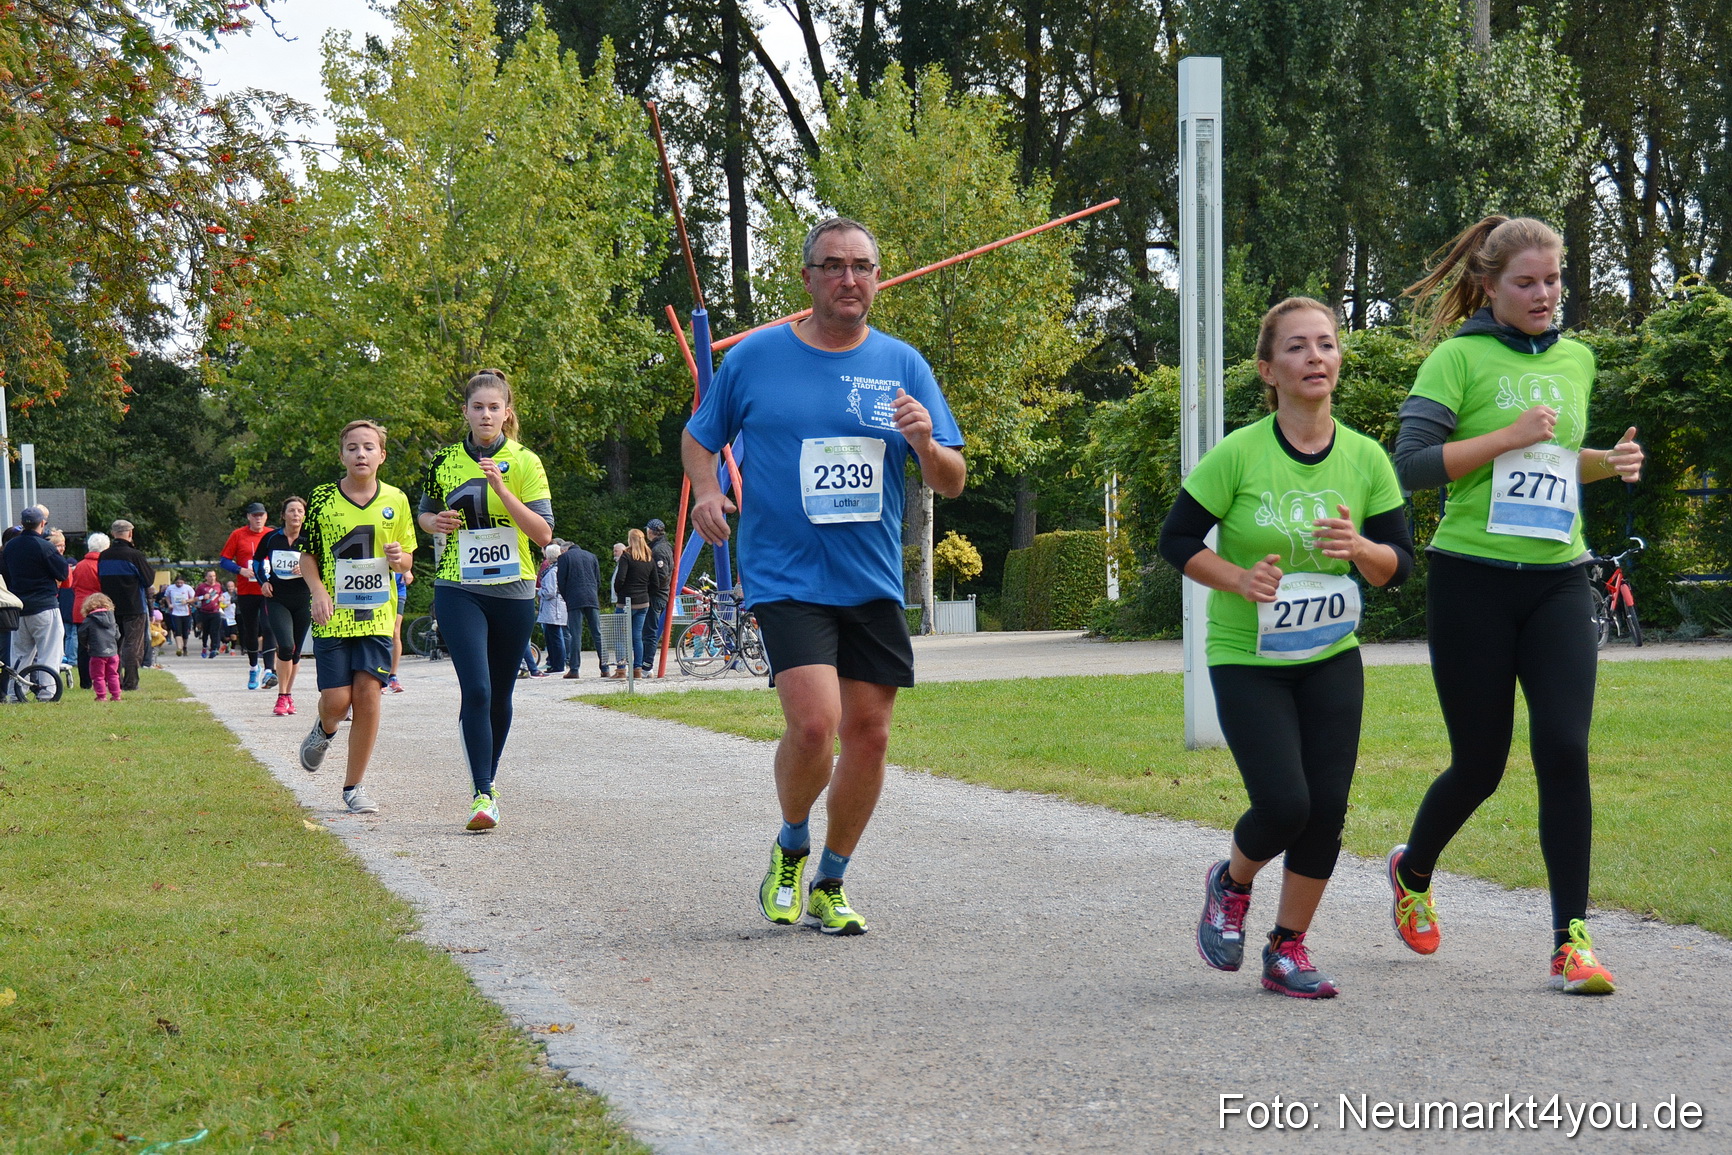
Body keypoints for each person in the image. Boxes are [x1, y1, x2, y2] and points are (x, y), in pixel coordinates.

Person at [684, 216, 967, 935]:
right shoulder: (755, 358)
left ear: (877, 277)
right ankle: (791, 843)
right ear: (807, 276)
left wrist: (925, 443)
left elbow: (954, 479)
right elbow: (697, 439)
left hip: (870, 579)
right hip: (785, 574)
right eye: (834, 265)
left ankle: (831, 880)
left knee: (869, 734)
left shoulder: (903, 365)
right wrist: (709, 491)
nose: (850, 278)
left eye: (863, 266)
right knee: (815, 725)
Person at [1385, 216, 1645, 996]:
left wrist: (1609, 463)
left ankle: (1572, 942)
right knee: (1482, 763)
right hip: (1471, 580)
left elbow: (1554, 463)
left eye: (1553, 280)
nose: (1543, 295)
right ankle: (1413, 868)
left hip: (1560, 578)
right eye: (1526, 283)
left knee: (1564, 748)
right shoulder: (1456, 358)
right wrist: (1505, 435)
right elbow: (1413, 467)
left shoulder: (1579, 359)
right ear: (1490, 286)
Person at [1158, 298, 1414, 998]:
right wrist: (1239, 578)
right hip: (1248, 656)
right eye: (1297, 348)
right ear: (1269, 370)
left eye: (1325, 345)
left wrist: (1361, 547)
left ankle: (1287, 948)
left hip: (1331, 654)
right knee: (1285, 802)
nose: (1314, 357)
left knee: (1327, 807)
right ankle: (1231, 881)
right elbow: (1176, 540)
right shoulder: (1239, 452)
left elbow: (1401, 565)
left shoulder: (1365, 458)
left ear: (1338, 361)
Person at [417, 370, 554, 832]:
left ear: (507, 413)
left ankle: (488, 781)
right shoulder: (445, 461)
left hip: (515, 588)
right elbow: (424, 513)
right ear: (466, 413)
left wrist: (501, 489)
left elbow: (542, 533)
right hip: (458, 587)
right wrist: (433, 523)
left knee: (500, 692)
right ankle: (482, 791)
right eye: (478, 407)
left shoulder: (526, 461)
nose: (486, 414)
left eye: (494, 407)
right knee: (475, 689)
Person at [297, 420, 417, 814]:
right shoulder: (322, 499)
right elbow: (308, 555)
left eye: (368, 447)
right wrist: (317, 591)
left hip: (377, 614)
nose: (360, 454)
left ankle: (353, 787)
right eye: (352, 448)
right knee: (336, 700)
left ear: (382, 454)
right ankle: (324, 728)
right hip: (333, 613)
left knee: (367, 695)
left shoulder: (396, 499)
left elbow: (407, 560)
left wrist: (401, 560)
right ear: (341, 455)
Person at [0, 506, 69, 698]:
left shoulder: (10, 547)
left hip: (19, 607)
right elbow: (62, 572)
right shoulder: (45, 546)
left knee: (20, 653)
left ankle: (16, 693)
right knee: (49, 651)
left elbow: (5, 574)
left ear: (22, 524)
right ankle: (47, 692)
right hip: (44, 605)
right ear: (42, 523)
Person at [254, 495, 311, 716]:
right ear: (283, 515)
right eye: (292, 511)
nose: (296, 515)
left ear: (304, 516)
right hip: (278, 598)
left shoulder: (310, 539)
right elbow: (257, 562)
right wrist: (263, 582)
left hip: (303, 598)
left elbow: (324, 563)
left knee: (295, 652)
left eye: (299, 511)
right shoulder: (271, 538)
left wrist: (306, 568)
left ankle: (289, 695)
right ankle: (281, 696)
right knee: (286, 645)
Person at [221, 502, 278, 690]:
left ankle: (270, 670)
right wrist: (240, 570)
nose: (258, 518)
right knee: (250, 631)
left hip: (268, 589)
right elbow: (224, 560)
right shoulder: (238, 535)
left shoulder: (272, 534)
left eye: (261, 515)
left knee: (269, 627)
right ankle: (254, 667)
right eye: (254, 515)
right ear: (248, 517)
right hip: (246, 591)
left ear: (266, 517)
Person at [97, 520, 154, 692]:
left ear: (113, 534)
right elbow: (148, 580)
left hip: (111, 606)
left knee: (115, 644)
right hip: (134, 606)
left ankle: (115, 680)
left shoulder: (104, 556)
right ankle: (131, 682)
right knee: (132, 644)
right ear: (130, 533)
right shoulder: (135, 555)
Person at [611, 529, 657, 678]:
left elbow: (620, 579)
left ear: (630, 540)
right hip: (643, 602)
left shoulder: (627, 556)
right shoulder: (649, 557)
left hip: (625, 602)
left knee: (619, 636)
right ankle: (637, 669)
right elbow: (655, 582)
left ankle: (621, 669)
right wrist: (645, 591)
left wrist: (619, 591)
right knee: (637, 637)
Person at [555, 539, 602, 679]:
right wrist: (594, 592)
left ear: (564, 549)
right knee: (597, 633)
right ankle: (604, 667)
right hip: (592, 597)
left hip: (574, 598)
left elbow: (561, 581)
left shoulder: (564, 558)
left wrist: (566, 597)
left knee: (576, 634)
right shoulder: (591, 556)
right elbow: (598, 580)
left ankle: (574, 669)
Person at [70, 532, 110, 689]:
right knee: (102, 645)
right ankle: (102, 679)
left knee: (82, 647)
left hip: (80, 608)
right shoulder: (102, 565)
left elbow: (73, 586)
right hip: (99, 608)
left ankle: (85, 682)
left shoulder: (80, 565)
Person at [80, 592, 123, 702]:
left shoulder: (89, 620)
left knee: (98, 676)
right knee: (113, 675)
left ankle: (101, 696)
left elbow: (82, 634)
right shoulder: (112, 619)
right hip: (113, 652)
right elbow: (117, 635)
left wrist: (87, 644)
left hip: (97, 652)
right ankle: (116, 696)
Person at [645, 518, 674, 673]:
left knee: (649, 630)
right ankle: (646, 664)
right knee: (649, 629)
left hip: (656, 595)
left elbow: (661, 575)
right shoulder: (665, 547)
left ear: (650, 532)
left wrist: (649, 588)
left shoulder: (658, 550)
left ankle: (647, 665)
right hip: (660, 594)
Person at [537, 542, 569, 675]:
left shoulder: (551, 572)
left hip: (552, 608)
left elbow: (550, 591)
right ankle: (557, 664)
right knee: (554, 636)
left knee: (555, 637)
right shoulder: (559, 569)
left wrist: (539, 591)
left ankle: (558, 665)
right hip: (557, 606)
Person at [194, 569, 224, 659]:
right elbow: (195, 598)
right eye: (210, 576)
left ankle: (214, 649)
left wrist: (221, 597)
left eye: (214, 576)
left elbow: (221, 593)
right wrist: (203, 597)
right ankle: (204, 646)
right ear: (206, 577)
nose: (212, 578)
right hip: (204, 612)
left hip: (215, 612)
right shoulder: (202, 587)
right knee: (206, 631)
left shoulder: (218, 585)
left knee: (214, 631)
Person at [164, 573, 196, 656]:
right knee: (177, 631)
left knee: (185, 633)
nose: (179, 584)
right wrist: (169, 604)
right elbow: (166, 596)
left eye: (181, 583)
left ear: (184, 582)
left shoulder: (188, 588)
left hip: (186, 613)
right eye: (177, 583)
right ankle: (179, 648)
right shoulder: (170, 588)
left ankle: (184, 646)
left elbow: (194, 598)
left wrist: (187, 601)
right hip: (175, 613)